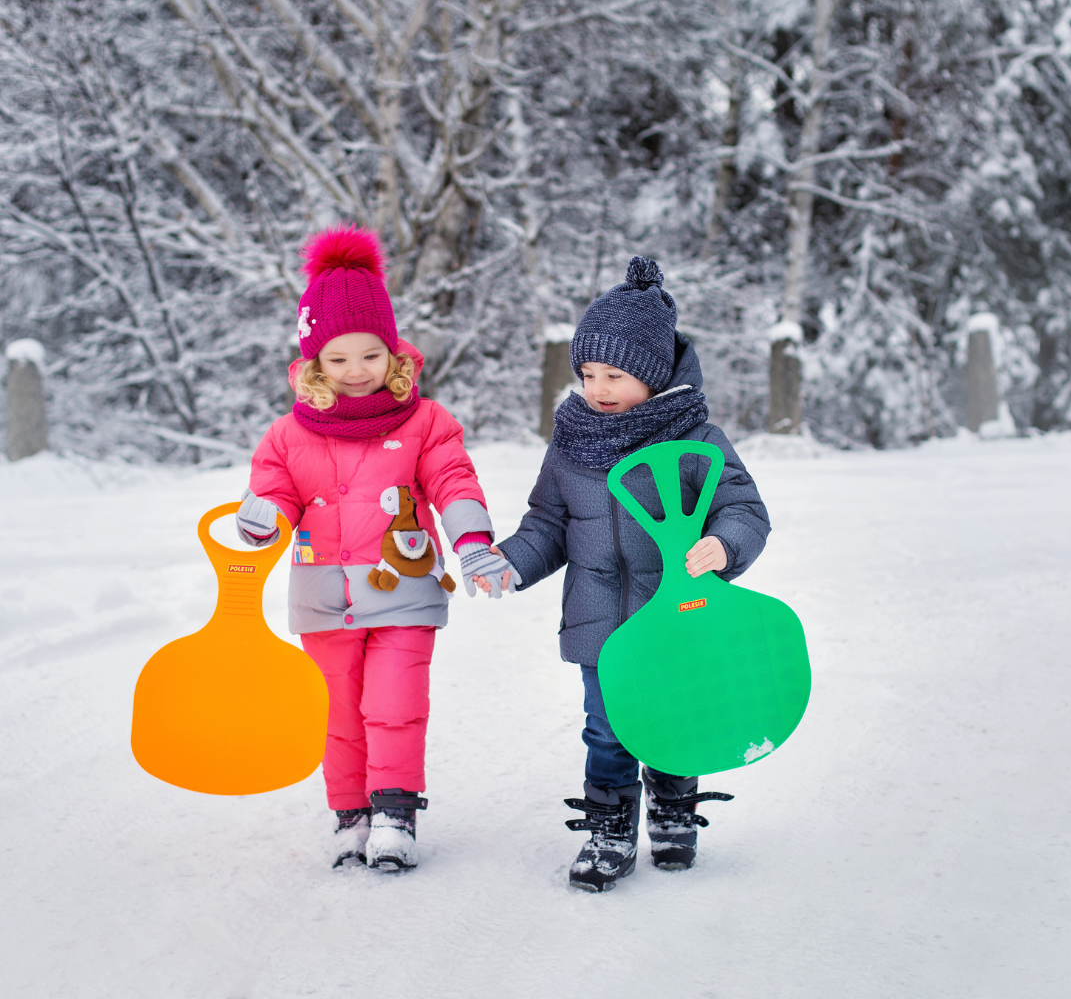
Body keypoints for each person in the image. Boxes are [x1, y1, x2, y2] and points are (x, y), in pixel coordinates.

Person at [474, 256, 771, 892]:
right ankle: (609, 828)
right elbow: (548, 523)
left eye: (616, 373)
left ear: (654, 374)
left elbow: (743, 508)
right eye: (588, 373)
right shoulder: (572, 442)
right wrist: (512, 560)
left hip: (675, 618)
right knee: (608, 728)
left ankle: (671, 806)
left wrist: (723, 545)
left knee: (671, 714)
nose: (599, 387)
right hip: (600, 623)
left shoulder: (695, 438)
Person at [237, 226, 509, 872]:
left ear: (393, 353)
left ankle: (394, 813)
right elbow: (273, 497)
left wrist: (472, 540)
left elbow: (453, 480)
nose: (356, 371)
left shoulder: (425, 421)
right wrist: (259, 520)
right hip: (323, 595)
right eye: (338, 358)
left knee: (395, 704)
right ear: (312, 364)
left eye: (370, 354)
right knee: (337, 711)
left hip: (404, 588)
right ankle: (349, 814)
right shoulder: (285, 435)